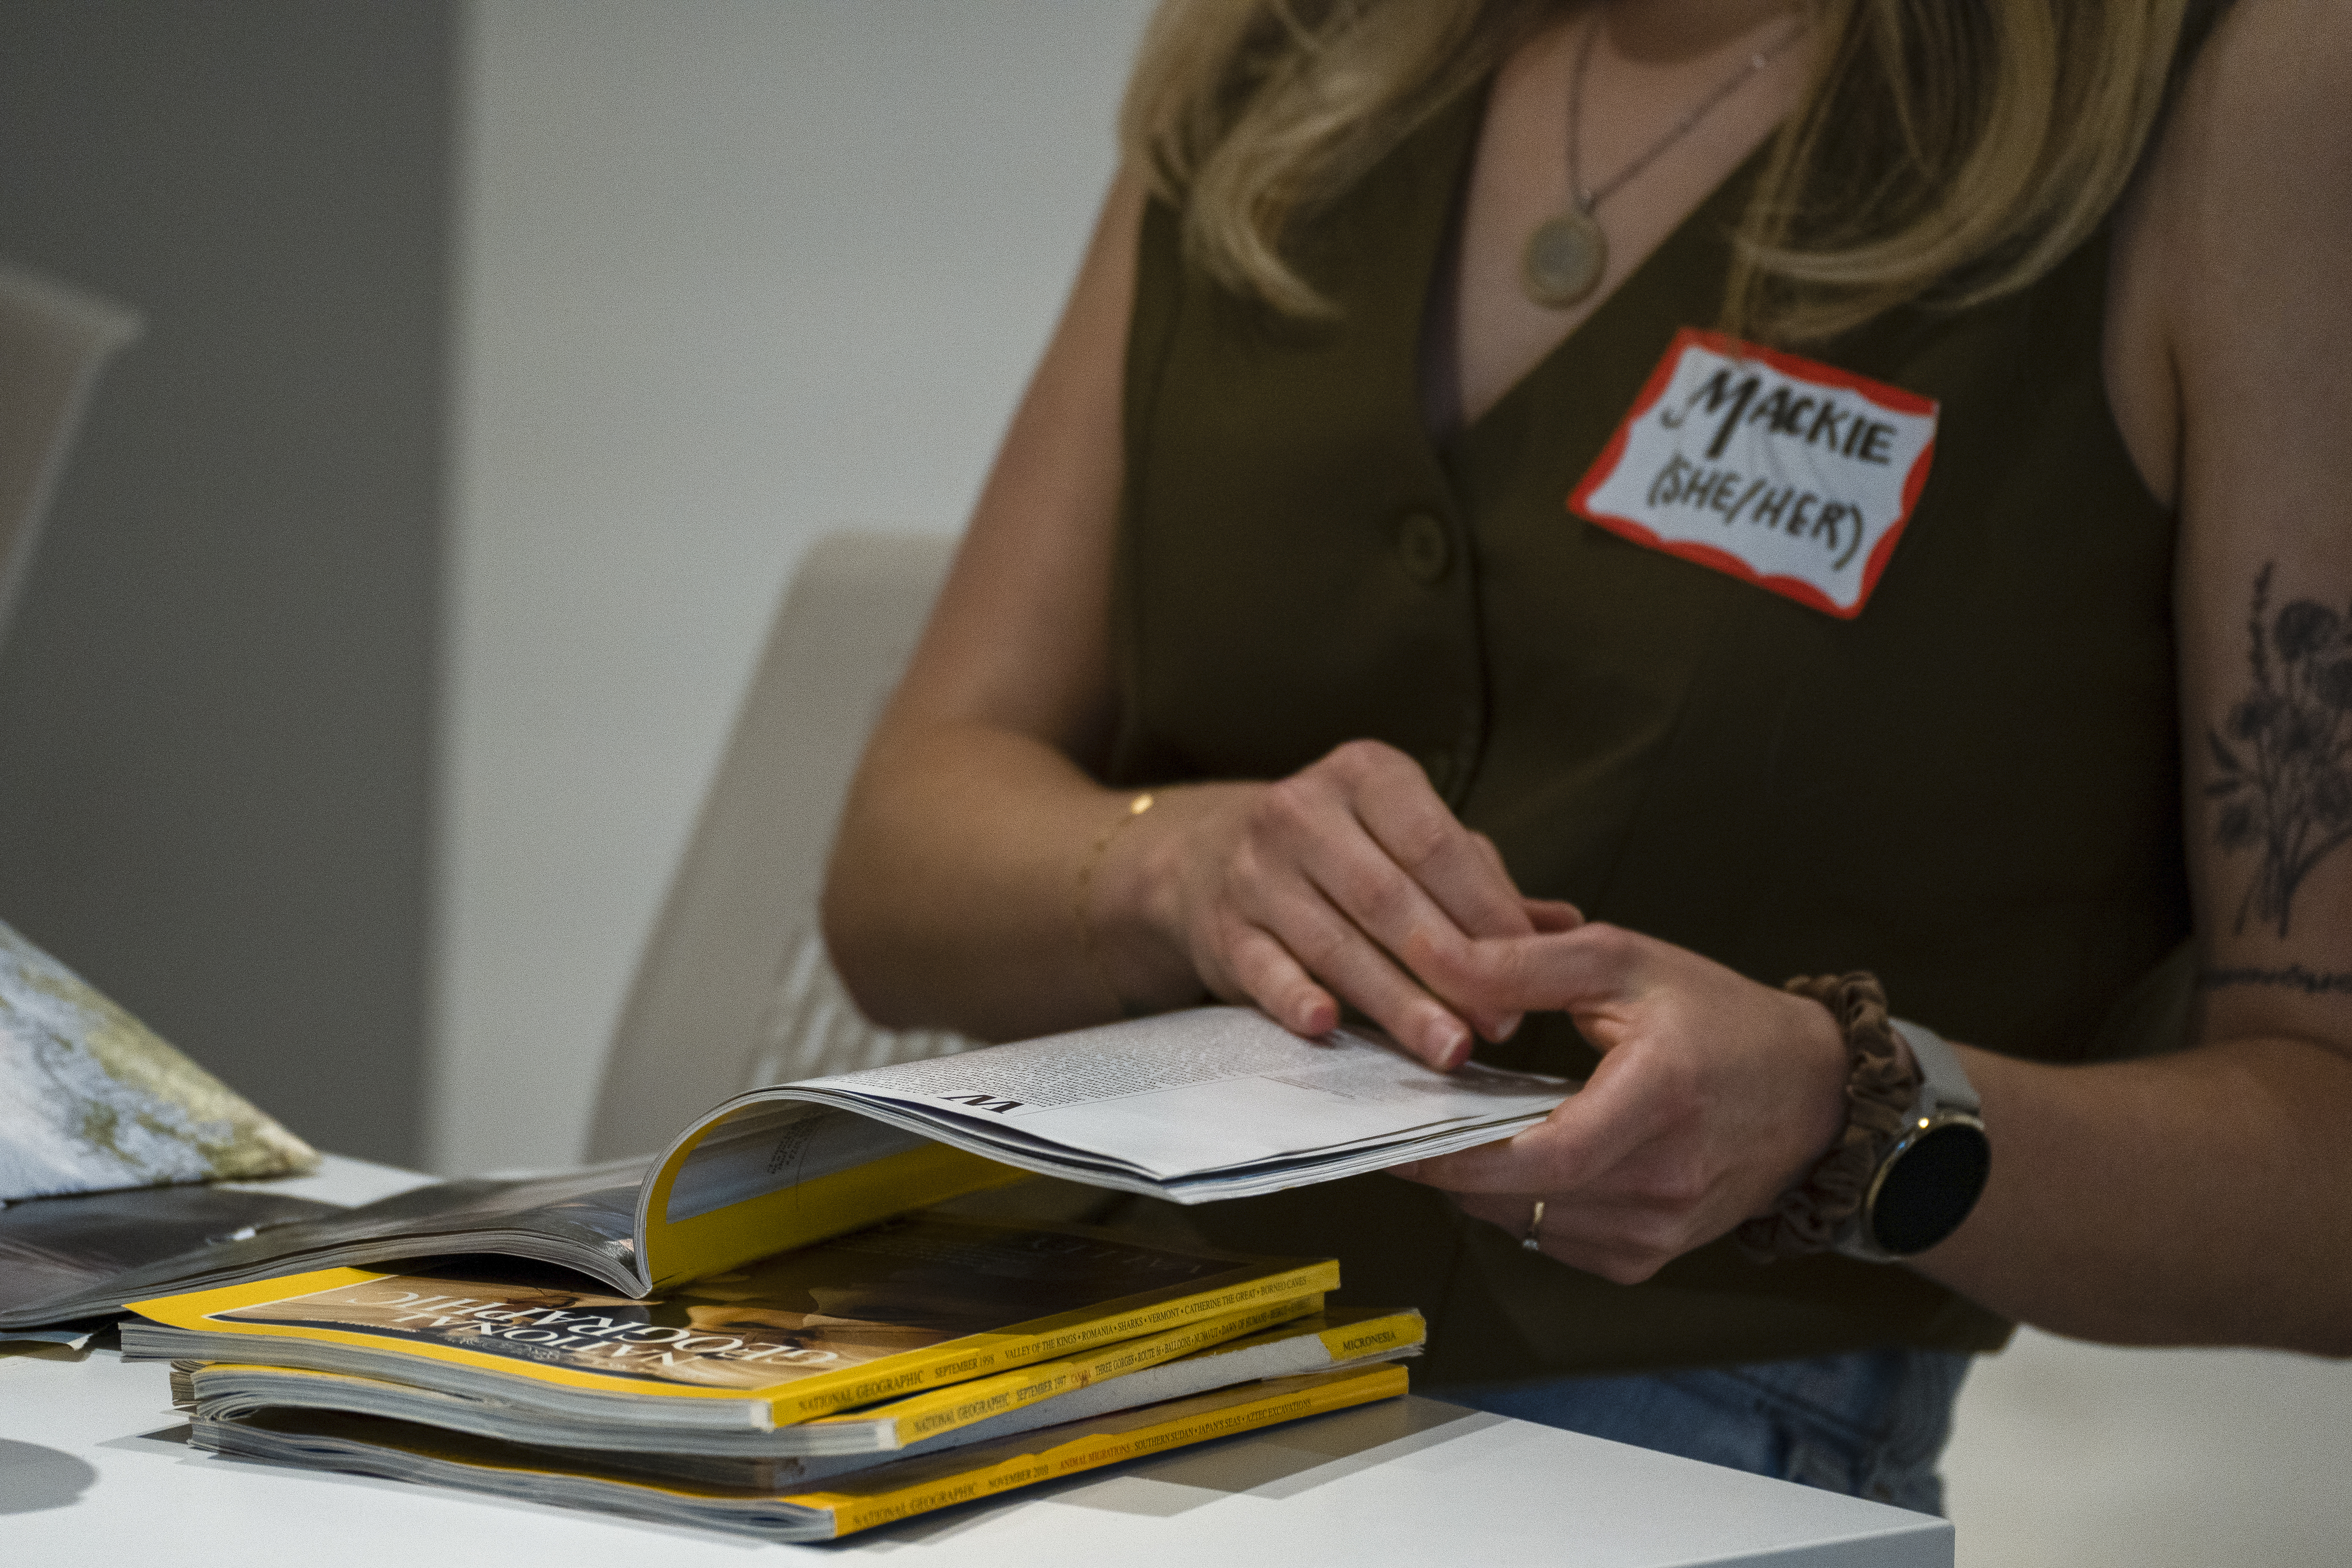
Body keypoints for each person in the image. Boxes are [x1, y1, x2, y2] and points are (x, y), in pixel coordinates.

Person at [823, 0, 2352, 1512]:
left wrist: (1851, 1110)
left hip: (1654, 1451)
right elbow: (897, 869)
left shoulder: (2242, 87)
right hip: (1025, 1368)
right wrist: (1176, 863)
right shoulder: (1277, 53)